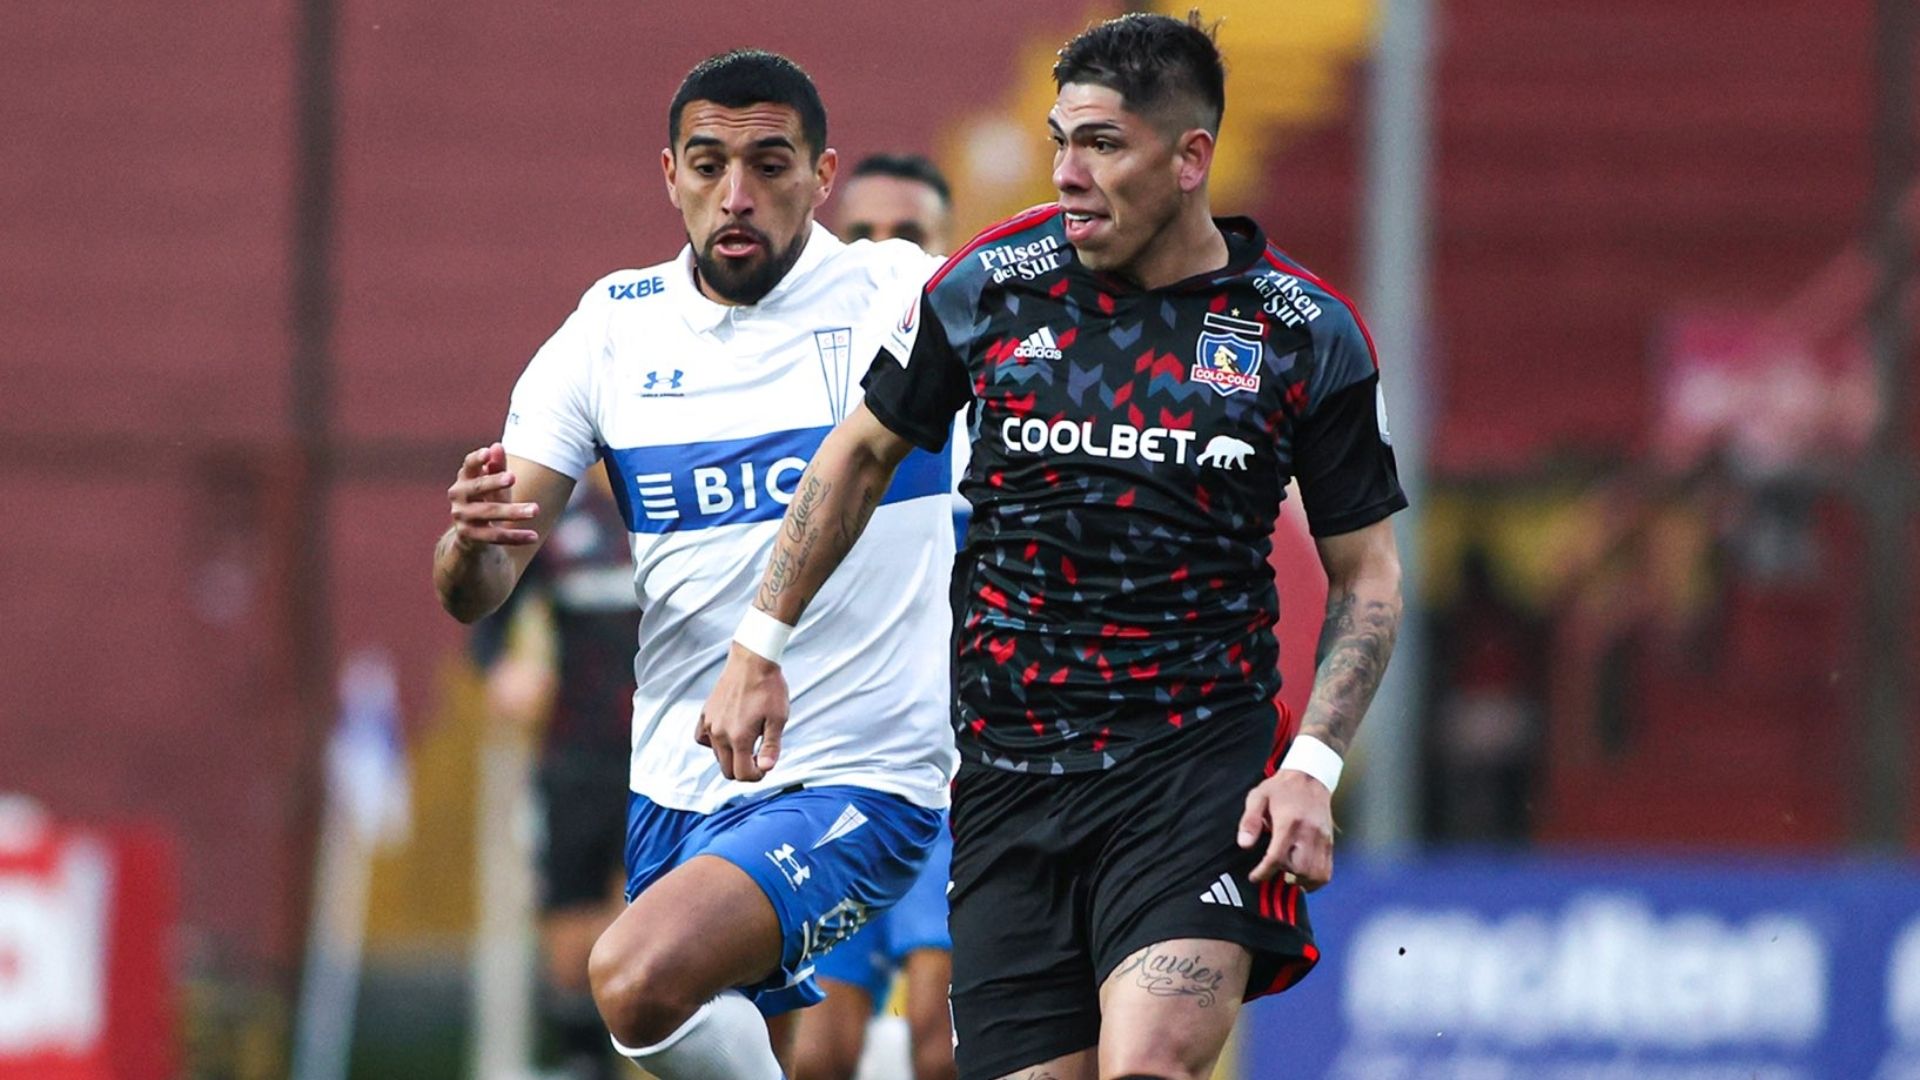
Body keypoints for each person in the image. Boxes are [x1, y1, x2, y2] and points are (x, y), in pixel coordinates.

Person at [703, 13, 1407, 1080]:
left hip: (1194, 774)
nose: (1069, 174)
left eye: (1103, 146)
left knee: (1148, 1065)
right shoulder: (991, 284)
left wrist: (1312, 763)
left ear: (1190, 158)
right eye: (1057, 141)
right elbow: (858, 454)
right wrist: (759, 644)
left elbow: (1370, 578)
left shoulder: (1301, 333)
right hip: (1007, 783)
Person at [432, 50, 959, 1080]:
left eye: (770, 164)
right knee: (723, 1041)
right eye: (709, 163)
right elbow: (481, 585)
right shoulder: (611, 331)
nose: (738, 194)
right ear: (668, 174)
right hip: (679, 781)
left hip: (862, 770)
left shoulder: (897, 295)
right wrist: (470, 545)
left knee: (631, 972)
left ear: (821, 176)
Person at [792, 153, 958, 1080]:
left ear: (947, 249)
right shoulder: (795, 408)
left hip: (958, 778)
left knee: (940, 1044)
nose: (886, 257)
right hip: (829, 762)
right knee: (820, 1051)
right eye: (862, 236)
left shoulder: (996, 404)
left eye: (911, 237)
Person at [471, 470, 636, 1080]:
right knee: (570, 931)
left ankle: (637, 1051)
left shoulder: (679, 507)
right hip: (575, 753)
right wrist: (502, 670)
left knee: (644, 918)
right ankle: (584, 1059)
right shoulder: (557, 522)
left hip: (668, 754)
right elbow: (485, 611)